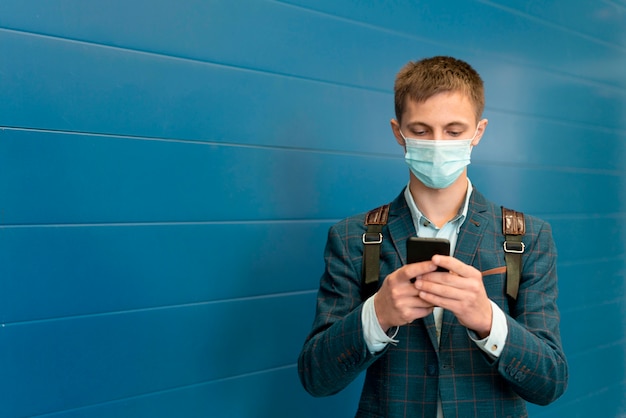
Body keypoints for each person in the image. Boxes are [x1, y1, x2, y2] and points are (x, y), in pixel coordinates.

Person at [297, 56, 568, 417]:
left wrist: (488, 320)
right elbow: (317, 378)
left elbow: (549, 382)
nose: (438, 144)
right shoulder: (354, 238)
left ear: (478, 132)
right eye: (421, 131)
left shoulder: (527, 238)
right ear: (398, 133)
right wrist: (376, 314)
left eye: (454, 131)